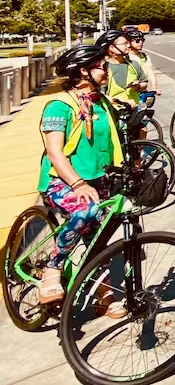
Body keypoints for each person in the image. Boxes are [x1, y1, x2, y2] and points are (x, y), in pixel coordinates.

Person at [36, 44, 126, 317]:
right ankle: (53, 267)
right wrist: (78, 184)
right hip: (63, 182)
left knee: (99, 237)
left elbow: (114, 141)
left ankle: (104, 293)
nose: (107, 71)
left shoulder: (101, 102)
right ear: (84, 71)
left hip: (98, 181)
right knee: (84, 211)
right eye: (103, 67)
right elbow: (54, 152)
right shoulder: (59, 106)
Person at [124, 27, 160, 97]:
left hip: (142, 90)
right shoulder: (125, 57)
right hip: (128, 93)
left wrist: (155, 88)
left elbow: (150, 72)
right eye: (137, 40)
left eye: (142, 40)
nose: (140, 43)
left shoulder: (144, 56)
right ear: (128, 42)